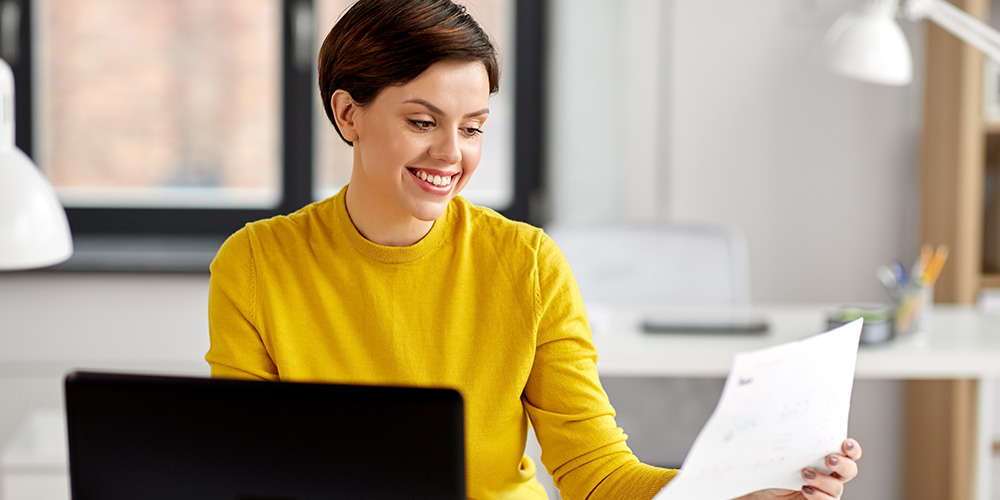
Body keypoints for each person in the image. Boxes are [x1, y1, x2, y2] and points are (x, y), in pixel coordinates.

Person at [205, 0, 863, 498]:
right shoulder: (258, 264)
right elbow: (243, 470)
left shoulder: (525, 263)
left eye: (472, 128)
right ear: (348, 115)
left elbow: (595, 473)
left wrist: (738, 493)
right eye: (421, 122)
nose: (451, 154)